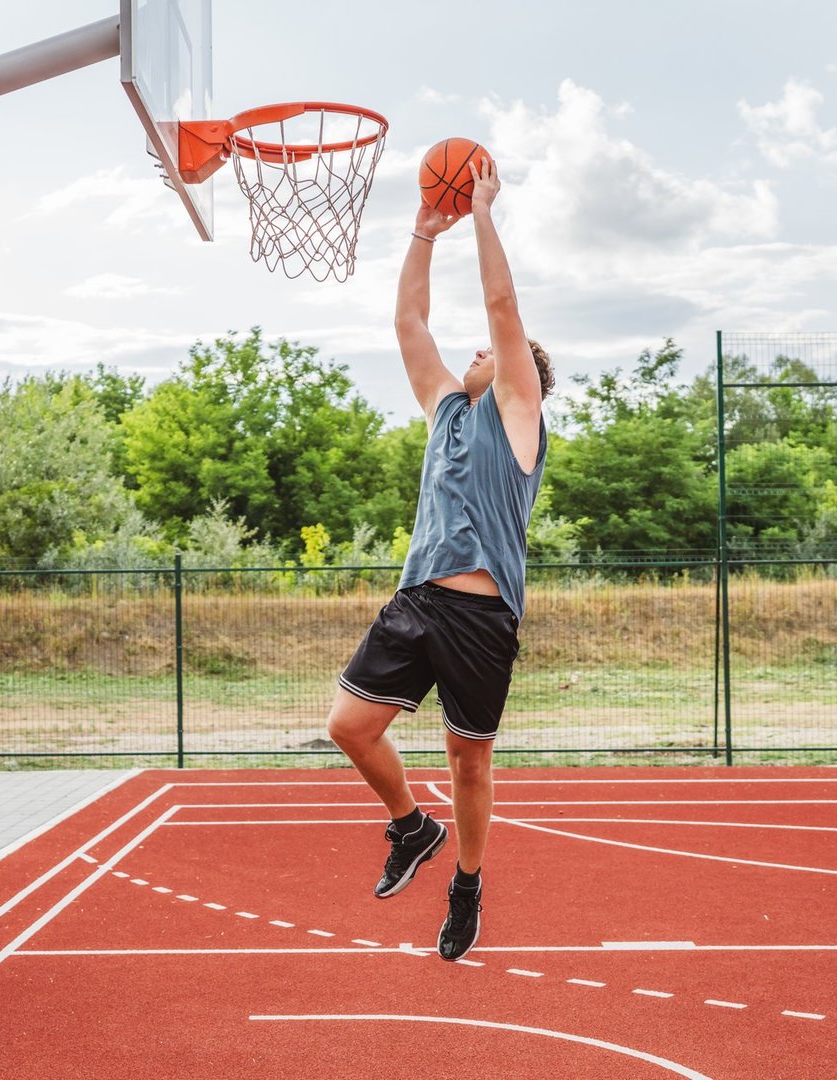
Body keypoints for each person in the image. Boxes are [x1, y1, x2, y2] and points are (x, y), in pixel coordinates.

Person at [326, 157, 552, 962]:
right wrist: (425, 227)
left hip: (481, 614)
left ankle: (466, 887)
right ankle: (409, 827)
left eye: (490, 353)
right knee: (349, 727)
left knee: (468, 761)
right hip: (418, 599)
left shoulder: (518, 412)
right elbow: (408, 325)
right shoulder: (447, 411)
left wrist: (483, 212)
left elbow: (499, 305)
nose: (475, 354)